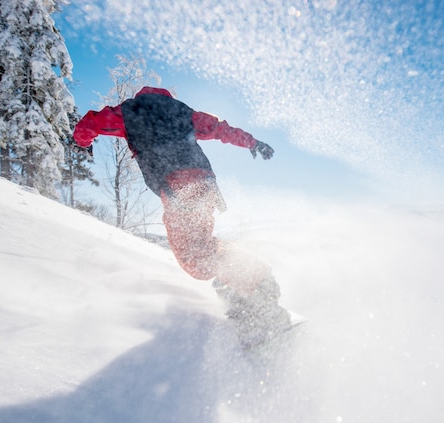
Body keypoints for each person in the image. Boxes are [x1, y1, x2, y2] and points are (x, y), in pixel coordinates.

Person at [73, 86, 292, 347]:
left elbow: (88, 124)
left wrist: (82, 144)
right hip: (204, 183)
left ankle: (258, 292)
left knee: (194, 259)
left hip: (179, 187)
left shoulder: (130, 112)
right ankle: (242, 284)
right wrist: (252, 142)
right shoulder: (182, 112)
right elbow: (220, 129)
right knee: (202, 247)